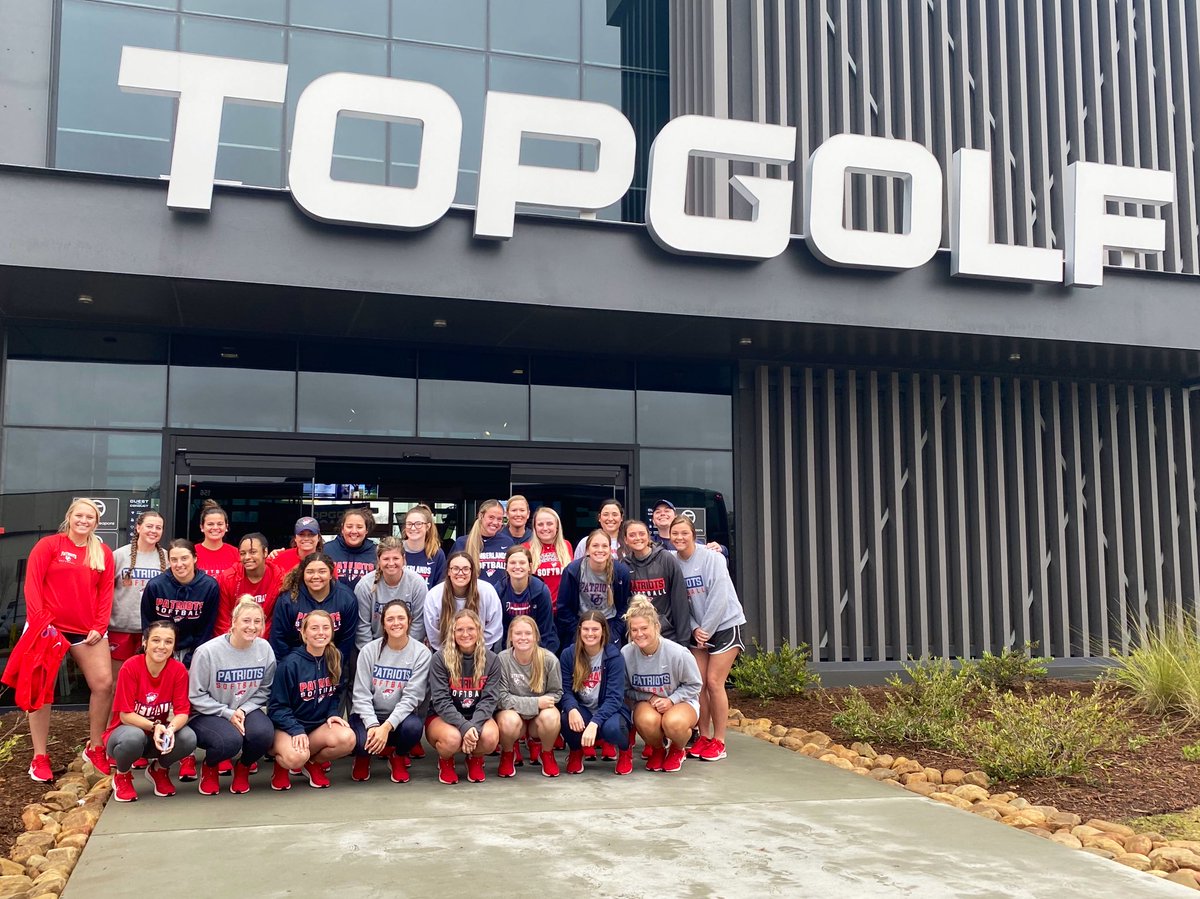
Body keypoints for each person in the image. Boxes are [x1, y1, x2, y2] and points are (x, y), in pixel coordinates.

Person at [24, 498, 116, 781]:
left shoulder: (101, 552)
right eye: (79, 515)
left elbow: (105, 593)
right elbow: (32, 584)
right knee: (41, 690)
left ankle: (96, 746)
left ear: (96, 522)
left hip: (86, 630)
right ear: (70, 517)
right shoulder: (49, 545)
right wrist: (40, 623)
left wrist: (99, 626)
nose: (84, 520)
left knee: (103, 684)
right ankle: (39, 757)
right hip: (47, 628)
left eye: (90, 517)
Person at [671, 516, 745, 762]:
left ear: (694, 535)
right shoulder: (672, 562)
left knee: (714, 682)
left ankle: (720, 741)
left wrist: (707, 629)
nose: (679, 538)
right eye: (675, 534)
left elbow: (720, 595)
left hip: (723, 625)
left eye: (684, 533)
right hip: (697, 631)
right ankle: (703, 736)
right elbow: (679, 602)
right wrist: (694, 629)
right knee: (698, 683)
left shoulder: (712, 558)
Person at [188, 597, 276, 795]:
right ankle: (210, 766)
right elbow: (196, 695)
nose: (252, 626)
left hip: (245, 708)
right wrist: (227, 713)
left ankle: (243, 766)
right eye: (246, 620)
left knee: (263, 734)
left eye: (257, 621)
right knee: (230, 740)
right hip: (208, 712)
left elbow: (265, 689)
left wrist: (243, 710)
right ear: (233, 622)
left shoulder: (265, 649)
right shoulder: (207, 652)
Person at [105, 621, 197, 802]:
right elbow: (125, 715)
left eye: (168, 642)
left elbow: (182, 712)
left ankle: (159, 770)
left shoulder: (178, 670)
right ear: (144, 642)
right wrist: (155, 726)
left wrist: (169, 729)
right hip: (124, 734)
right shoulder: (131, 667)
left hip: (156, 737)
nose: (162, 646)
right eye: (156, 640)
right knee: (133, 737)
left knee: (188, 737)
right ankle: (122, 775)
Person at [268, 609, 356, 789]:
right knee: (295, 757)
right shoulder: (289, 665)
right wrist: (296, 729)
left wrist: (332, 713)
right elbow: (277, 708)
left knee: (348, 739)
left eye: (325, 628)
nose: (320, 633)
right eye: (314, 628)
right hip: (288, 728)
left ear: (332, 632)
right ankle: (282, 766)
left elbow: (335, 694)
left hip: (316, 727)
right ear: (304, 633)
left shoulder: (334, 657)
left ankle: (312, 763)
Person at [350, 600, 431, 783]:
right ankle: (363, 757)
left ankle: (398, 756)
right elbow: (361, 695)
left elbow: (412, 698)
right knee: (360, 742)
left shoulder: (421, 653)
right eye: (390, 619)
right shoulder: (368, 651)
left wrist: (386, 727)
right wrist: (372, 725)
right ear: (383, 624)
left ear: (409, 621)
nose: (396, 623)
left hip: (399, 719)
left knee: (414, 728)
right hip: (368, 716)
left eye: (401, 618)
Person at [622, 597, 702, 773]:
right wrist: (649, 697)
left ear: (656, 626)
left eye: (644, 628)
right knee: (644, 720)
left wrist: (672, 700)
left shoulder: (678, 653)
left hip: (682, 702)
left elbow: (695, 685)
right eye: (634, 630)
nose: (639, 634)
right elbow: (626, 689)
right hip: (648, 703)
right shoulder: (626, 654)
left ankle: (677, 749)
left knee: (672, 723)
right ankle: (658, 749)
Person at [426, 609, 501, 785]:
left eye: (470, 629)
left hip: (476, 715)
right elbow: (441, 701)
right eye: (459, 630)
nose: (465, 634)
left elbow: (489, 700)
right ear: (452, 632)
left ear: (479, 631)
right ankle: (446, 760)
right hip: (442, 717)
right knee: (452, 739)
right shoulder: (439, 659)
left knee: (490, 738)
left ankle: (475, 758)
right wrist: (465, 727)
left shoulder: (492, 660)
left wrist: (472, 727)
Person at [559, 611, 633, 775]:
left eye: (595, 629)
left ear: (603, 631)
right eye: (585, 629)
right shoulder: (568, 655)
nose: (590, 633)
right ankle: (576, 751)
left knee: (613, 729)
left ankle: (625, 751)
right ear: (579, 630)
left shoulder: (614, 656)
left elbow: (615, 697)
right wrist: (571, 708)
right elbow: (564, 689)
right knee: (565, 719)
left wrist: (595, 722)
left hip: (610, 710)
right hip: (583, 707)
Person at [494, 615, 562, 778]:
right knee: (508, 721)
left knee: (552, 717)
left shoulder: (549, 659)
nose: (523, 637)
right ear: (510, 636)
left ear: (536, 636)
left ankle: (546, 753)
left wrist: (539, 706)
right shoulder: (502, 659)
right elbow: (501, 698)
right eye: (518, 633)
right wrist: (536, 702)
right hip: (513, 715)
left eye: (528, 633)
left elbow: (556, 692)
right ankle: (508, 753)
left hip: (537, 718)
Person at [140, 539, 221, 668]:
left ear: (194, 558)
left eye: (184, 558)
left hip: (194, 649)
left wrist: (191, 659)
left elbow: (207, 627)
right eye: (174, 559)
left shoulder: (209, 586)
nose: (179, 564)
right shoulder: (155, 586)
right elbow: (147, 624)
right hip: (161, 649)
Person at [269, 552, 358, 663]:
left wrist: (334, 666)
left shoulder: (346, 598)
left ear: (331, 575)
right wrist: (289, 667)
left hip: (332, 662)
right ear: (303, 574)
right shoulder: (288, 600)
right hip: (295, 663)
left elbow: (347, 640)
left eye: (322, 571)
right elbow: (279, 639)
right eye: (310, 572)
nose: (316, 576)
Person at [110, 509, 167, 680]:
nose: (153, 531)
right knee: (117, 683)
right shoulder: (119, 556)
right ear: (138, 528)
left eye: (158, 527)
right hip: (121, 629)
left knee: (147, 682)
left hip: (152, 631)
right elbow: (104, 591)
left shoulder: (167, 557)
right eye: (149, 526)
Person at [556, 529, 632, 649]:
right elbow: (563, 607)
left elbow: (625, 606)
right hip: (581, 623)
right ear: (587, 549)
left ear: (609, 549)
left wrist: (614, 631)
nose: (600, 550)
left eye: (604, 546)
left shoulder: (621, 572)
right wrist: (577, 630)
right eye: (595, 545)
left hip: (609, 623)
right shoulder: (573, 570)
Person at [620, 519, 690, 646]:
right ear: (625, 540)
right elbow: (622, 606)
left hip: (667, 635)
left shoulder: (666, 559)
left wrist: (683, 640)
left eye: (642, 534)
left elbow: (680, 601)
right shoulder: (624, 566)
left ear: (648, 536)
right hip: (639, 637)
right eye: (632, 535)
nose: (637, 538)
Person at [354, 536, 428, 648]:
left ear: (403, 559)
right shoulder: (365, 585)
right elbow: (362, 626)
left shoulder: (417, 584)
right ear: (379, 561)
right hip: (375, 647)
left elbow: (419, 624)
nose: (391, 563)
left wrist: (406, 650)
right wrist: (371, 654)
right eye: (386, 559)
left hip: (408, 647)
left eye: (396, 558)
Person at [422, 551, 502, 652]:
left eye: (466, 569)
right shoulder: (434, 595)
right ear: (448, 572)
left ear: (472, 571)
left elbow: (494, 628)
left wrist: (477, 651)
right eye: (455, 569)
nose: (460, 573)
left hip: (481, 651)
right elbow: (433, 633)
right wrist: (451, 654)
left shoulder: (487, 591)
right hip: (446, 653)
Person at [214, 533, 283, 638]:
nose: (247, 557)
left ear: (265, 552)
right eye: (242, 553)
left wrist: (258, 640)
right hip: (234, 640)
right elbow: (222, 620)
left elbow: (276, 620)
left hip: (265, 641)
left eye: (253, 552)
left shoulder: (279, 578)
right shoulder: (227, 578)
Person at [496, 545, 557, 653]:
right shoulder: (499, 590)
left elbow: (545, 629)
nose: (517, 566)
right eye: (513, 563)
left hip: (540, 645)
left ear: (530, 567)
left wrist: (538, 655)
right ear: (506, 566)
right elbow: (500, 629)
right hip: (509, 647)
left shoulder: (541, 591)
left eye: (522, 563)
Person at [452, 499, 513, 587]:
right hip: (472, 597)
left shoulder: (507, 542)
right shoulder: (462, 543)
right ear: (481, 515)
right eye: (491, 517)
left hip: (500, 598)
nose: (495, 522)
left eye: (499, 519)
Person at [324, 507, 378, 589]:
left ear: (366, 530)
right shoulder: (326, 550)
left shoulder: (376, 552)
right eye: (349, 526)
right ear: (342, 529)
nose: (354, 531)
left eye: (359, 527)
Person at [529, 507, 571, 612]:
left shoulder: (567, 546)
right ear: (534, 527)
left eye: (549, 524)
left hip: (563, 610)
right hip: (538, 610)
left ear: (557, 526)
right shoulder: (526, 549)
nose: (545, 528)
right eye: (540, 524)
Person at [649, 499, 726, 556]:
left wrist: (721, 548)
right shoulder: (648, 543)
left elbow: (715, 553)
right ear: (653, 521)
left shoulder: (691, 542)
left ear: (675, 517)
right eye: (658, 512)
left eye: (667, 511)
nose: (662, 514)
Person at [401, 504, 446, 587]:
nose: (413, 528)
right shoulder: (397, 550)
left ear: (428, 526)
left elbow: (440, 587)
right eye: (409, 524)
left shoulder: (436, 554)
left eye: (418, 524)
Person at [194, 499, 239, 578]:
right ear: (202, 527)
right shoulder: (192, 552)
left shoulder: (236, 553)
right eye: (210, 524)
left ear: (226, 527)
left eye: (220, 524)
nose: (215, 528)